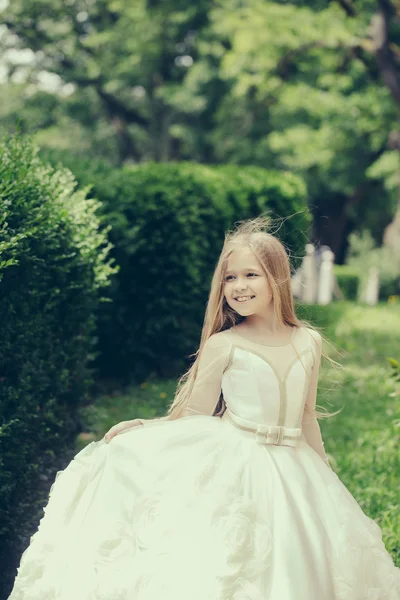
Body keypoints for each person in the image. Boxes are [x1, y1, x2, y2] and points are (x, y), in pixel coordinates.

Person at [8, 216, 400, 600]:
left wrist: (324, 476)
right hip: (239, 460)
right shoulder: (225, 344)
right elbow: (194, 415)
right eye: (230, 278)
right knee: (236, 562)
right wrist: (147, 426)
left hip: (296, 464)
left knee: (308, 558)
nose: (238, 287)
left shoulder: (308, 341)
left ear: (276, 278)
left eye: (251, 275)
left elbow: (307, 415)